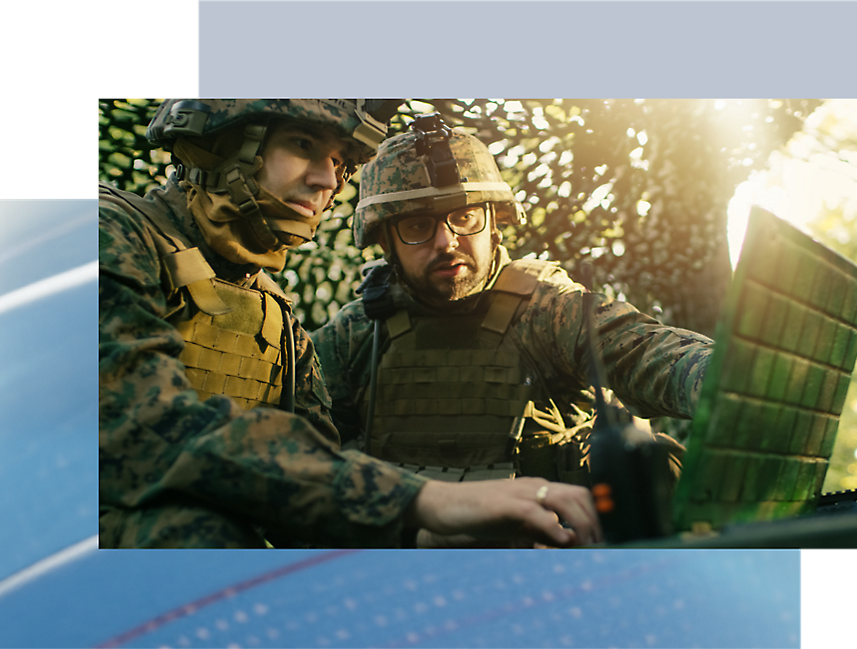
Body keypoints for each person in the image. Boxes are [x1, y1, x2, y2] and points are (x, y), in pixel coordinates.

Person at [99, 98, 600, 549]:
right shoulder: (105, 233)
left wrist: (426, 537)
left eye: (338, 162)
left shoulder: (273, 314)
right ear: (224, 141)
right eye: (302, 145)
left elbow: (305, 497)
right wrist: (425, 501)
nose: (326, 179)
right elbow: (146, 425)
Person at [311, 114, 715, 501]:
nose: (446, 242)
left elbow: (647, 352)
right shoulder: (356, 334)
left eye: (465, 216)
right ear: (385, 242)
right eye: (418, 227)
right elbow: (296, 455)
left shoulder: (547, 309)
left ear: (494, 222)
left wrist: (725, 379)